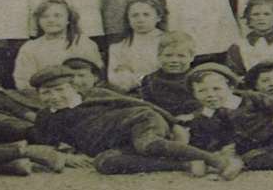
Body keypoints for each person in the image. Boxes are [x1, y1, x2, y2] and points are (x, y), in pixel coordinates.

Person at [28, 64, 241, 178]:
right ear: (39, 95)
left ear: (73, 88)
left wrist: (175, 123)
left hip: (142, 121)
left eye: (59, 90)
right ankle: (186, 162)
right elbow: (48, 144)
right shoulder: (46, 117)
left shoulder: (95, 95)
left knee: (146, 143)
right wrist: (66, 157)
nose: (54, 97)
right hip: (117, 143)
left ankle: (218, 161)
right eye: (46, 93)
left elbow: (143, 105)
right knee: (105, 163)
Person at [14, 0, 103, 91]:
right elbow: (23, 82)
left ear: (68, 19)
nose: (51, 20)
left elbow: (95, 75)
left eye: (57, 16)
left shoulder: (84, 43)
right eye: (44, 16)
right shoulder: (30, 48)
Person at [105, 0, 167, 91]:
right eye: (135, 15)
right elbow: (114, 79)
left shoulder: (169, 41)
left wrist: (131, 75)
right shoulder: (118, 46)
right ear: (128, 19)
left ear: (158, 17)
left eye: (146, 14)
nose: (140, 20)